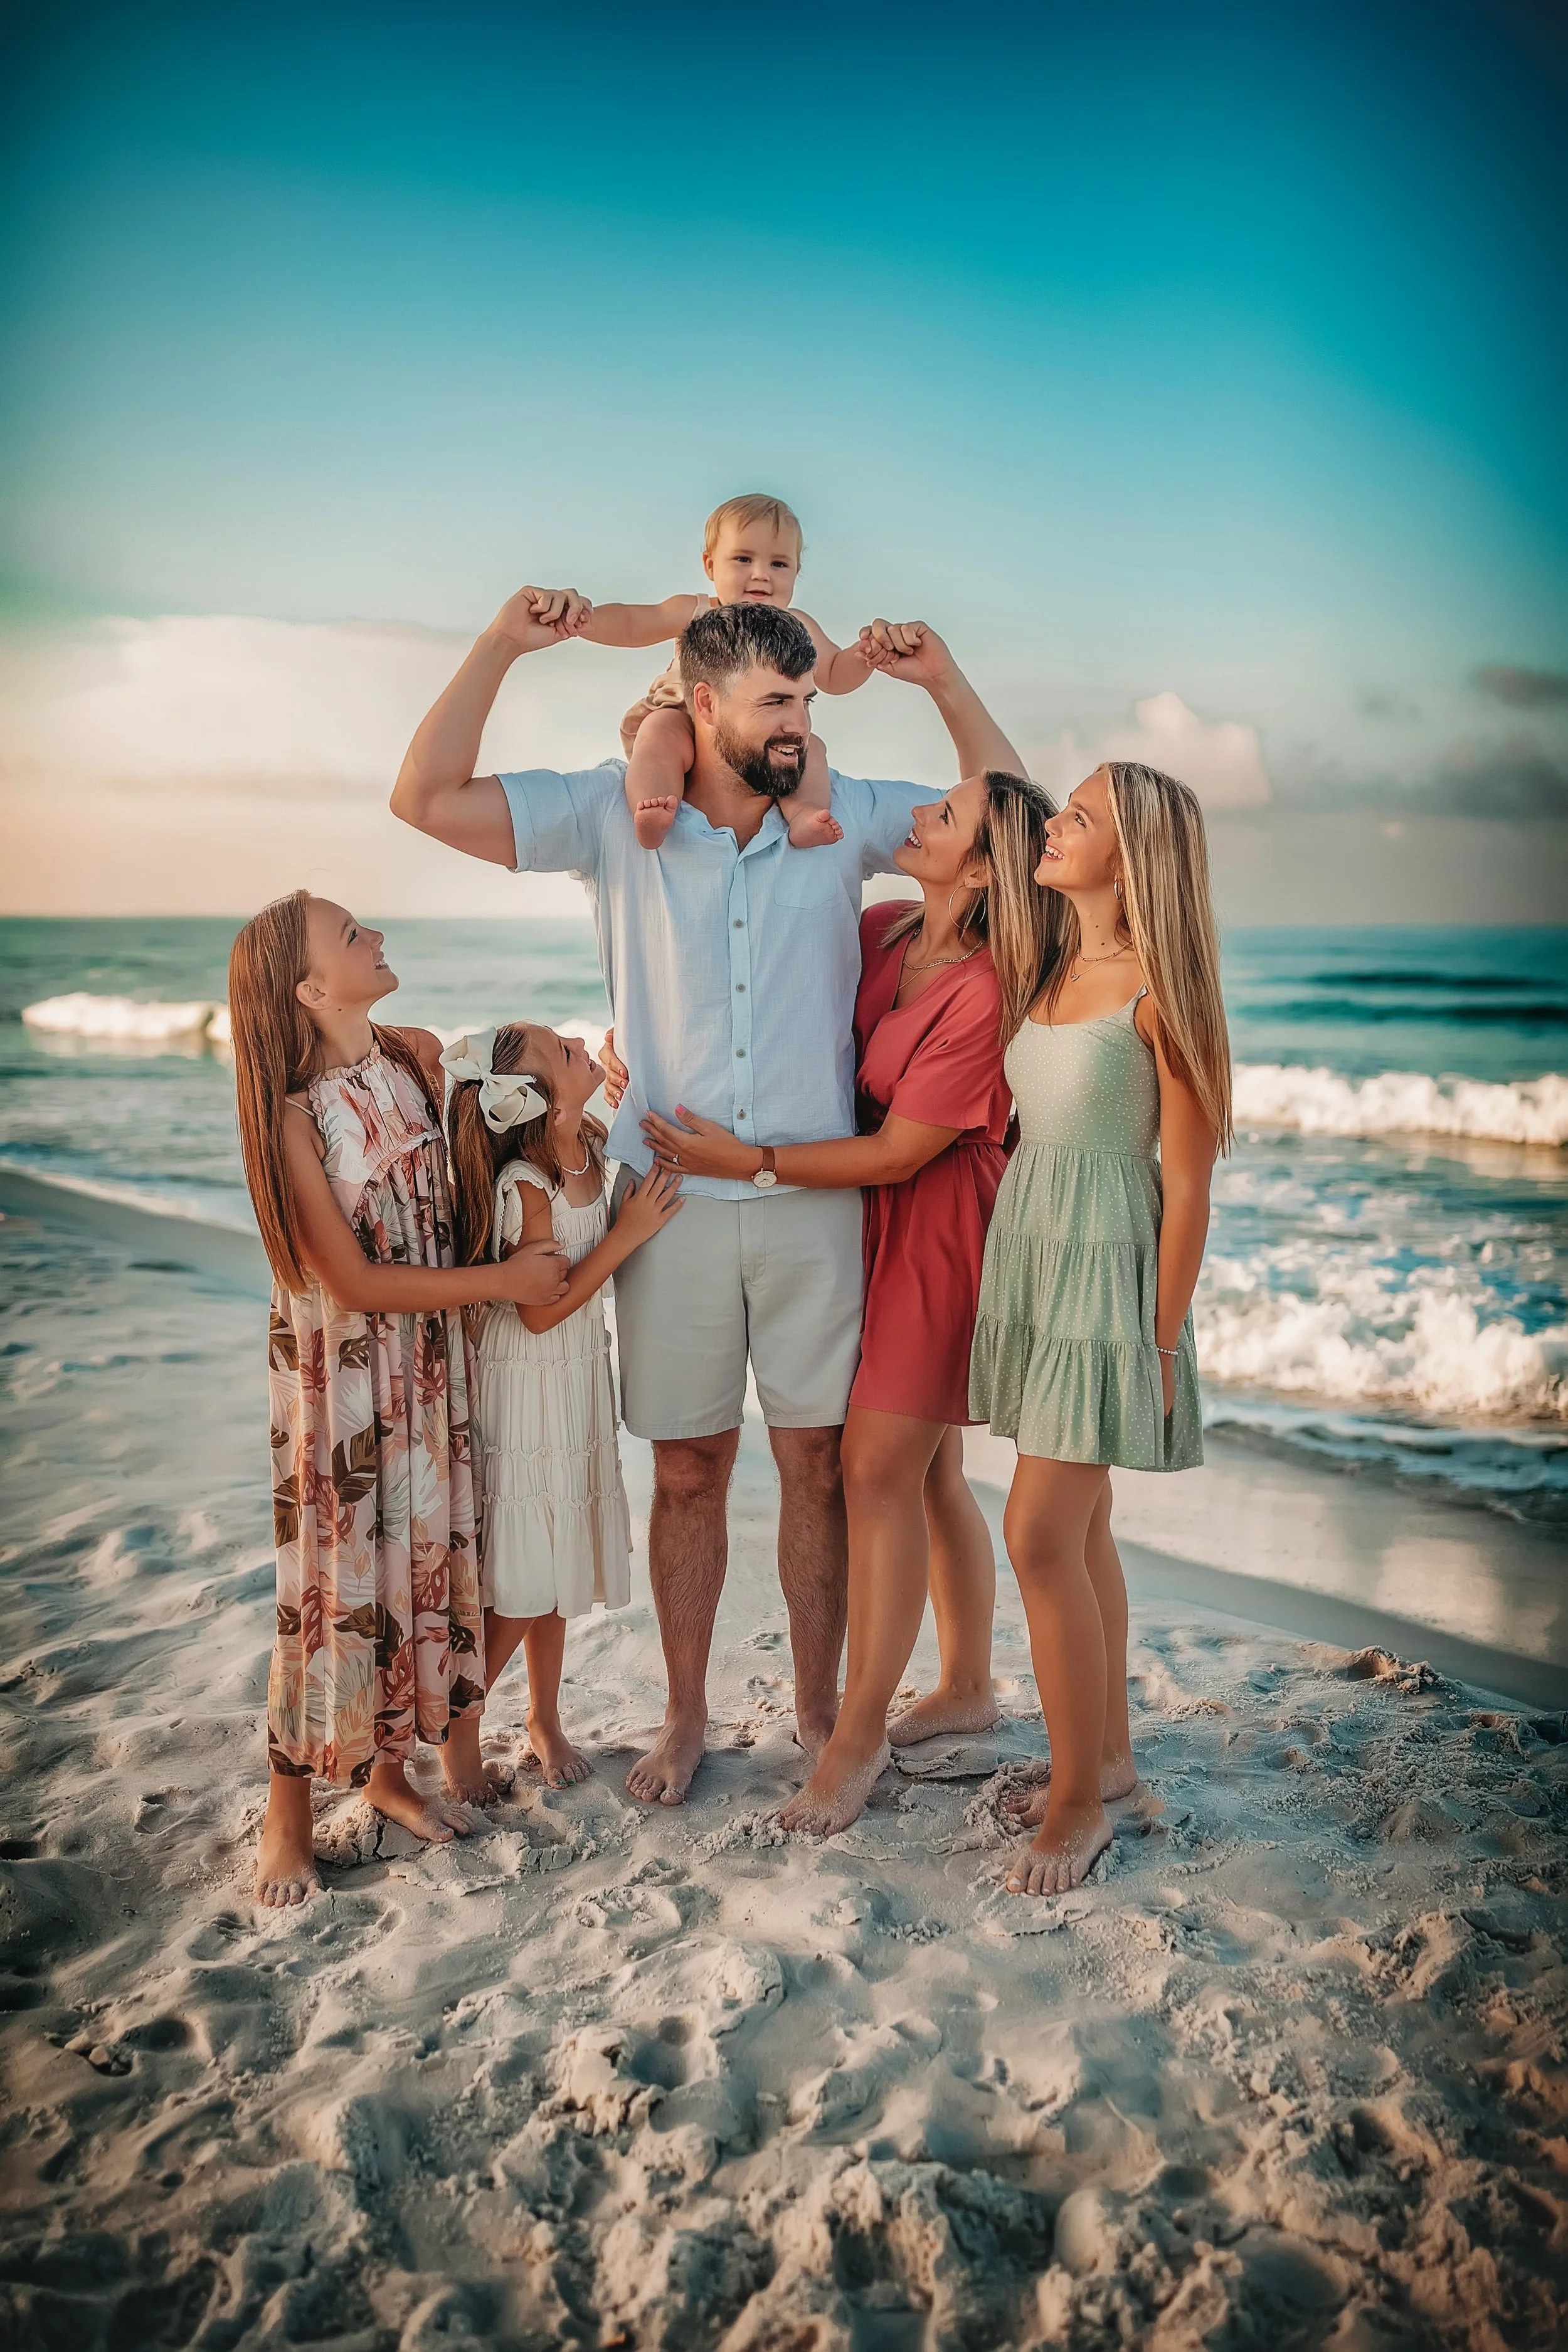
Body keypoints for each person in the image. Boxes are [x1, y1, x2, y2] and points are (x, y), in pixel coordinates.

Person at [390, 585, 1024, 1808]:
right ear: (700, 704)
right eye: (776, 701)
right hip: (668, 1202)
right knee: (686, 1469)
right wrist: (498, 647)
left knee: (817, 1467)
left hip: (814, 1205)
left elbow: (1010, 820)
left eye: (803, 698)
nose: (800, 719)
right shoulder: (608, 812)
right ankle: (682, 1715)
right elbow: (423, 801)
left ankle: (821, 1709)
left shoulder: (841, 817)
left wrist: (941, 684)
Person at [643, 768, 1059, 1836]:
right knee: (935, 1473)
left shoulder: (985, 987)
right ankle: (967, 1684)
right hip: (866, 1221)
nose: (917, 815)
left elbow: (899, 1151)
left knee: (877, 1471)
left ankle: (857, 1737)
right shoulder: (881, 930)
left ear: (981, 870)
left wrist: (751, 1159)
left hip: (936, 1230)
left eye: (946, 817)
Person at [229, 893, 569, 1909]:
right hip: (345, 1386)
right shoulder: (292, 1119)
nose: (374, 934)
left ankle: (388, 1775)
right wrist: (503, 1286)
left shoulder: (416, 1054)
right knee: (337, 1582)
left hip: (426, 1373)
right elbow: (355, 1283)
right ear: (310, 988)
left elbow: (503, 1122)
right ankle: (287, 1812)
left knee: (417, 1569)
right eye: (351, 935)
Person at [970, 761, 1231, 1896]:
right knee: (1081, 1532)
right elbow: (987, 798)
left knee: (1036, 1535)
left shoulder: (1159, 993)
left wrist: (1161, 1340)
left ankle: (1080, 1804)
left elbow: (1188, 1184)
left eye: (1080, 817)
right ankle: (1110, 1761)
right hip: (1037, 1257)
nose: (1055, 824)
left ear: (1131, 859)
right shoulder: (1051, 958)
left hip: (1109, 1288)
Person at [440, 1020, 682, 1793]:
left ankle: (542, 1717)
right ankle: (459, 1730)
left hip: (575, 1373)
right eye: (565, 1052)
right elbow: (541, 1309)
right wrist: (629, 1234)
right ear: (538, 1099)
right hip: (529, 1380)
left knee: (555, 1564)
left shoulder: (586, 1151)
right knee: (521, 1578)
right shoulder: (526, 1184)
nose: (576, 1043)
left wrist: (616, 1064)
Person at [565, 490, 871, 849]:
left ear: (797, 571)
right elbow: (634, 622)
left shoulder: (796, 624)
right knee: (659, 731)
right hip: (683, 714)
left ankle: (805, 814)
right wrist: (583, 620)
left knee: (812, 748)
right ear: (711, 565)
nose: (761, 575)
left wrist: (867, 654)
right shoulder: (697, 611)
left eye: (779, 564)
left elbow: (834, 673)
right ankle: (652, 807)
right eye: (743, 558)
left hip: (754, 734)